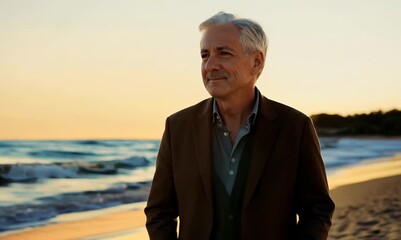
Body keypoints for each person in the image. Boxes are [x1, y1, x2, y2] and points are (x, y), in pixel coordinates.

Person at [145, 12, 335, 240]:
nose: (210, 65)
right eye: (205, 55)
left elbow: (317, 211)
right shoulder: (178, 127)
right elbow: (159, 211)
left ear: (256, 62)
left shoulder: (295, 127)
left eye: (223, 53)